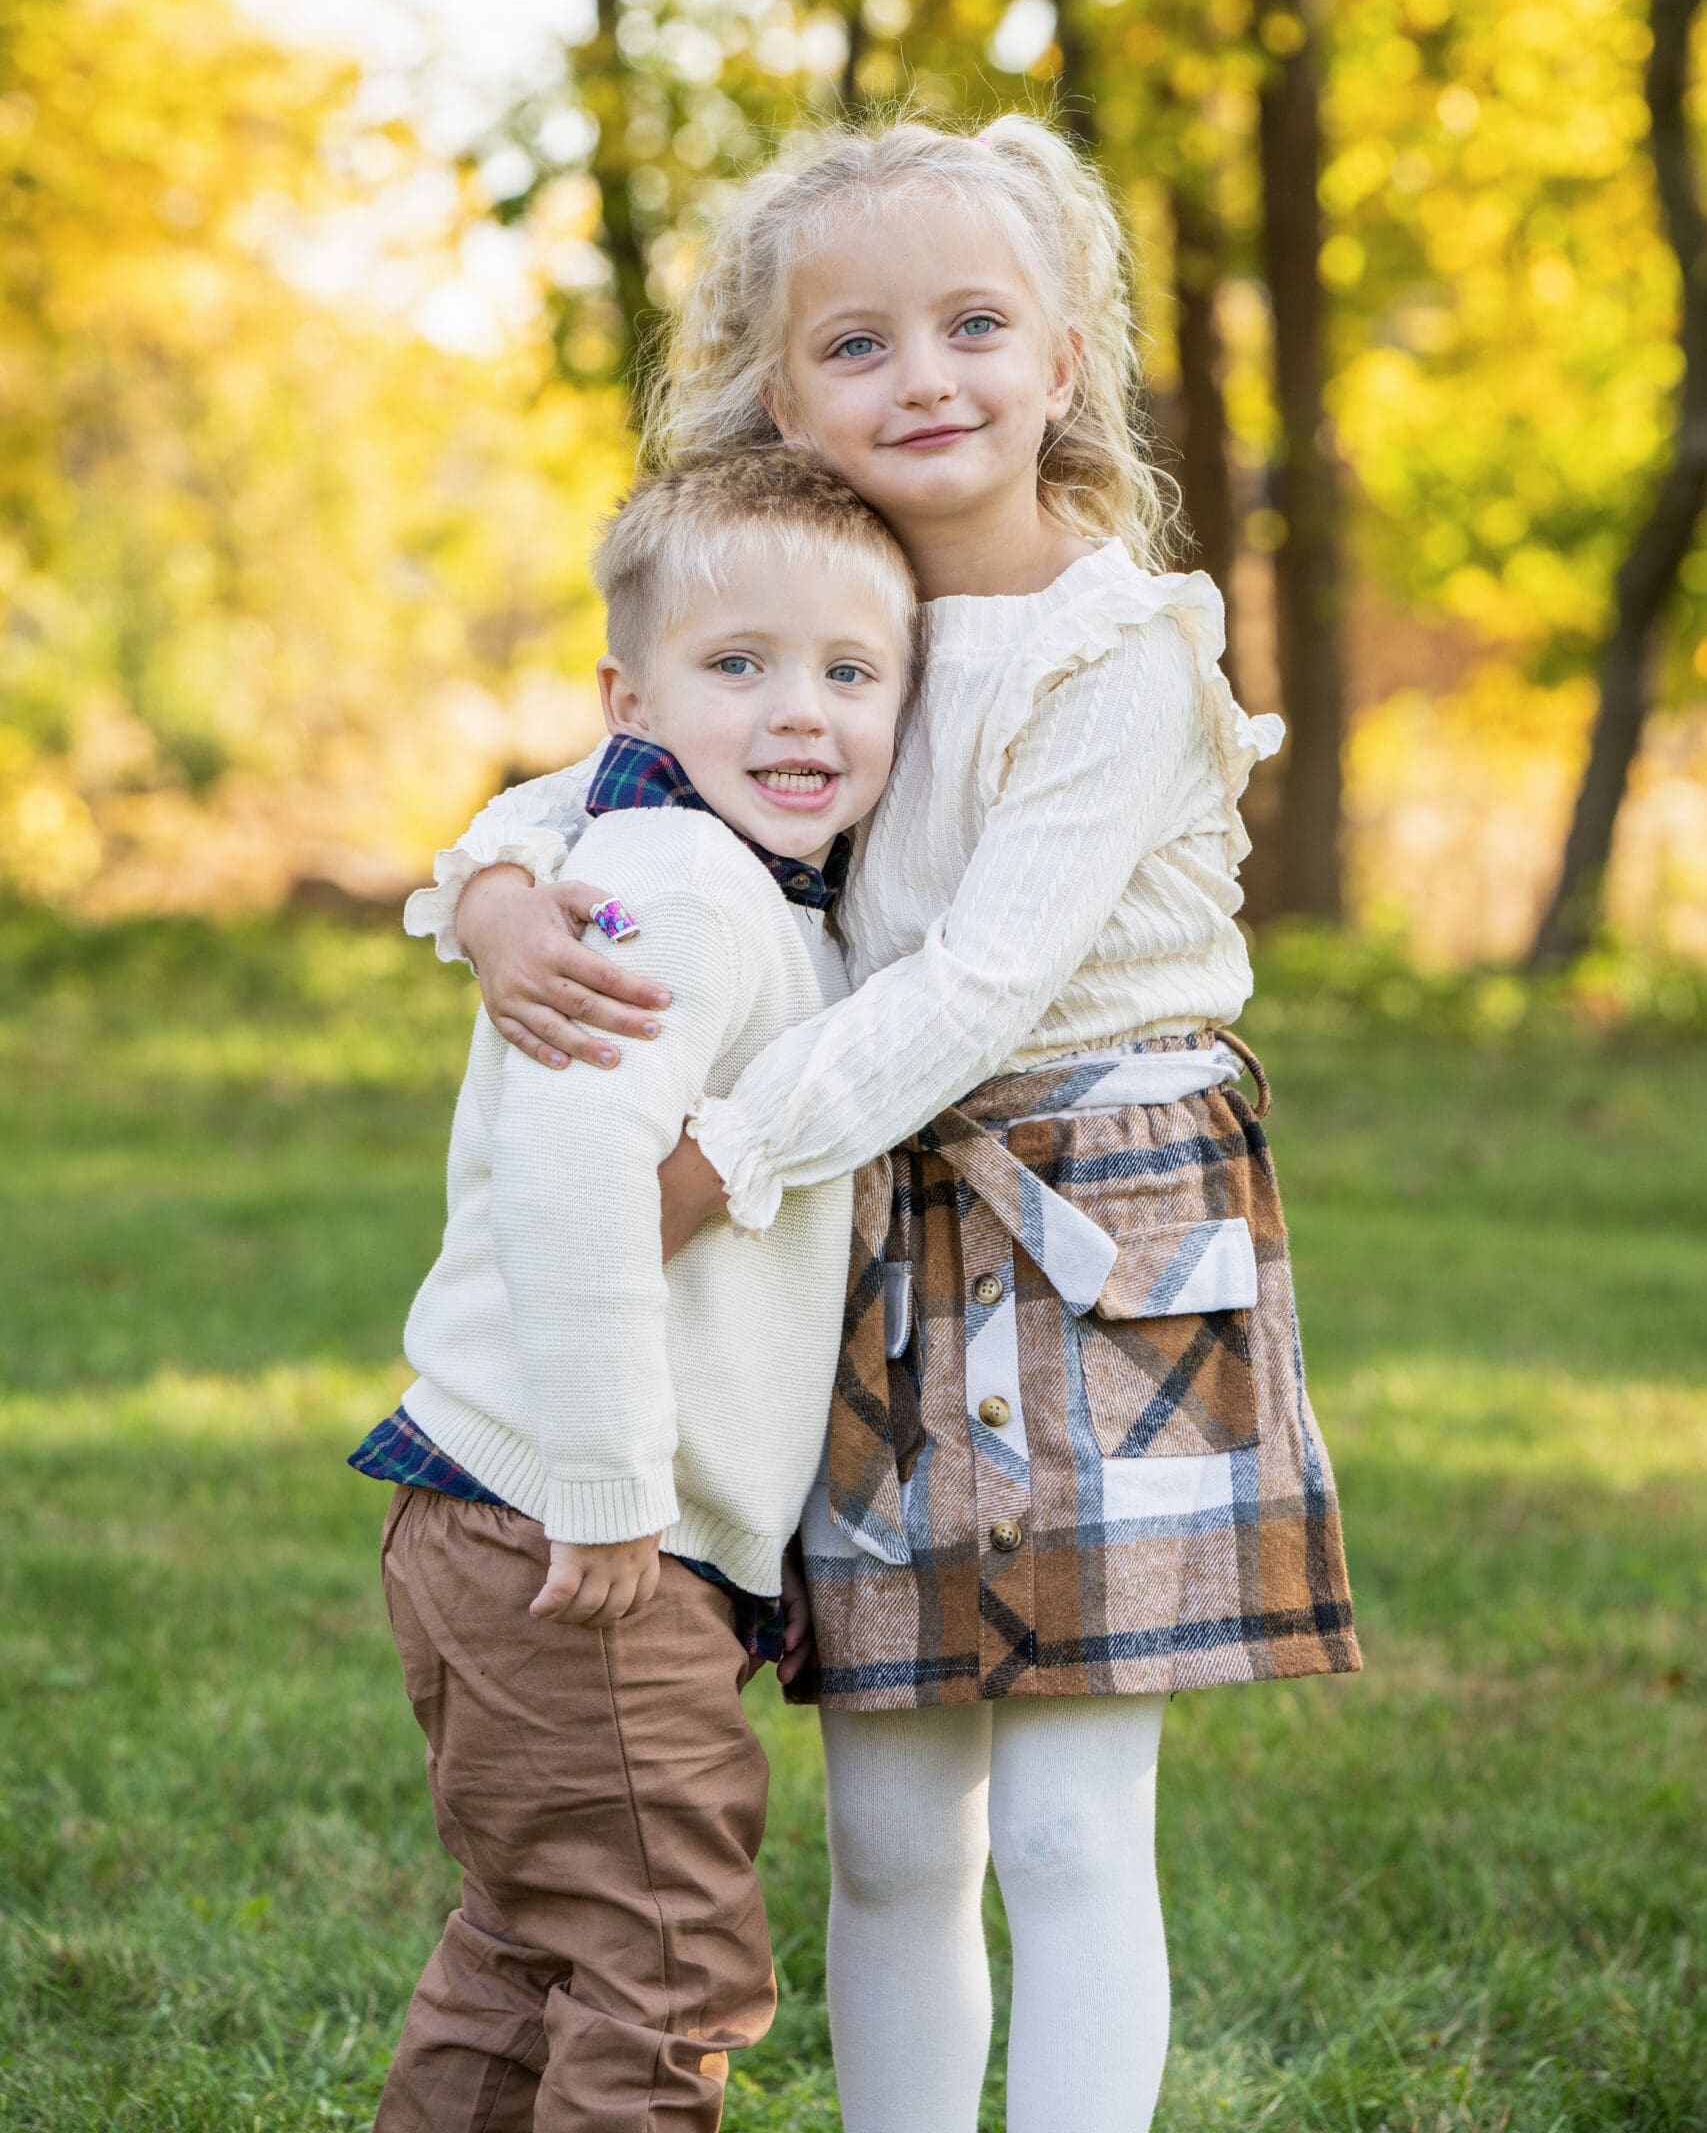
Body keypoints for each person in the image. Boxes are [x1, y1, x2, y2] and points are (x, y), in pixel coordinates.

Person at [410, 115, 1360, 2133]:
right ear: (777, 384)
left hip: (1092, 1216)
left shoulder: (1116, 651)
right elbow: (613, 768)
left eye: (972, 324)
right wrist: (489, 892)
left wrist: (718, 1157)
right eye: (856, 343)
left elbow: (973, 985)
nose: (921, 375)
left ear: (1066, 347)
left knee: (1076, 1826)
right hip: (874, 1227)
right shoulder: (818, 601)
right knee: (894, 1830)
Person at [351, 445, 917, 2133]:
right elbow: (574, 1174)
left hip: (516, 1513)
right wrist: (611, 1499)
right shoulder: (688, 885)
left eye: (850, 673)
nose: (799, 713)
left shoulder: (732, 888)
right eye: (739, 667)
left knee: (537, 1939)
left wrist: (750, 1544)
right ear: (630, 697)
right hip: (574, 1529)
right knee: (667, 1972)